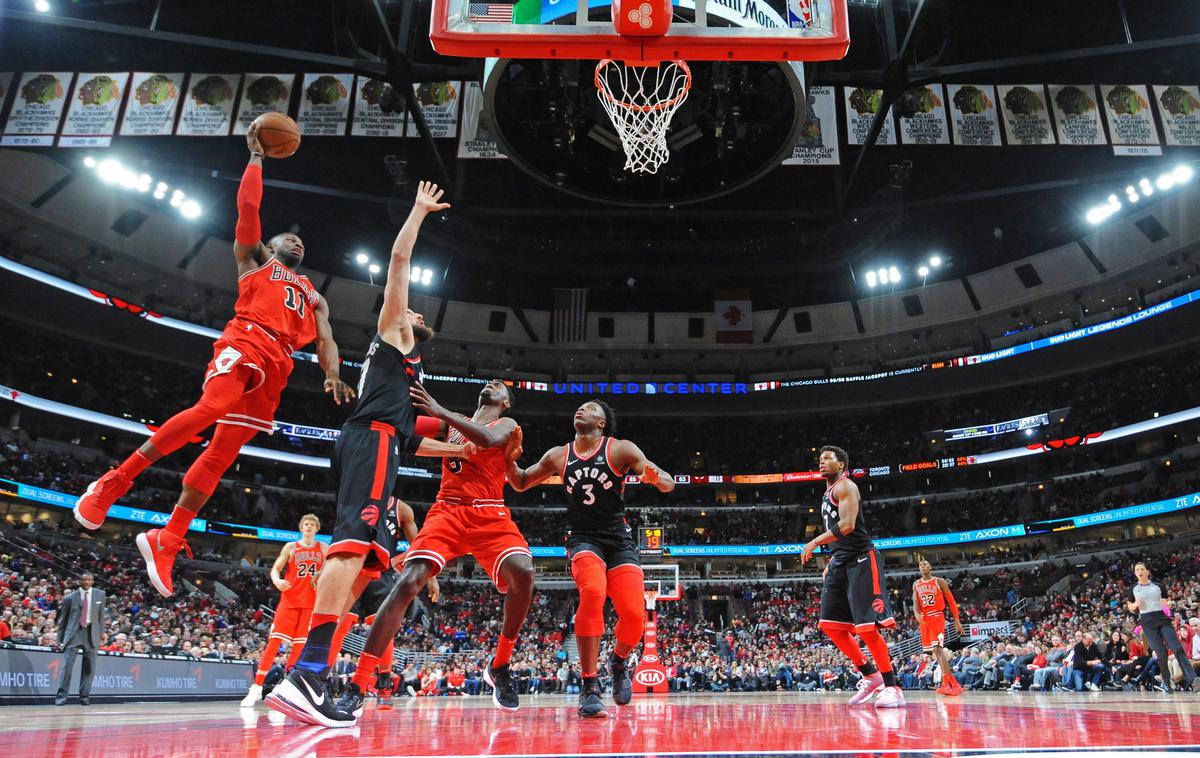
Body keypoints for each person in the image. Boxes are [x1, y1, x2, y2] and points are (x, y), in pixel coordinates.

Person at [74, 123, 356, 596]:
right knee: (211, 409)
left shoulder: (313, 294)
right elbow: (248, 207)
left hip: (280, 362)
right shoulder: (255, 260)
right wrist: (256, 158)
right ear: (272, 245)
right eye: (290, 239)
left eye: (303, 244)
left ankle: (168, 537)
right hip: (246, 339)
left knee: (223, 454)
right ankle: (113, 482)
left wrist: (332, 373)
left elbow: (327, 338)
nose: (299, 244)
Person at [264, 181, 457, 729]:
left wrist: (459, 446)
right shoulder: (395, 333)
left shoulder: (406, 371)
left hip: (384, 443)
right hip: (371, 440)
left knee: (365, 565)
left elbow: (416, 440)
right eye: (412, 311)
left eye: (418, 314)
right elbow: (399, 261)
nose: (414, 311)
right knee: (348, 552)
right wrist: (418, 212)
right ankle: (305, 674)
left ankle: (313, 669)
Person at [338, 378, 532, 721]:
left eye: (499, 385)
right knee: (407, 582)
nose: (492, 383)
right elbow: (402, 427)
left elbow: (487, 439)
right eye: (490, 381)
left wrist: (441, 410)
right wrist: (377, 398)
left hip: (490, 512)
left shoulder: (506, 424)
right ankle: (358, 684)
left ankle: (500, 664)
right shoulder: (449, 423)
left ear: (506, 402)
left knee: (524, 571)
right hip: (449, 510)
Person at [504, 399, 675, 718]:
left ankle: (619, 662)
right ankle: (589, 685)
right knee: (593, 592)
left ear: (601, 423)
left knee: (635, 616)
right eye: (579, 408)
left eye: (590, 408)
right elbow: (520, 482)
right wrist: (509, 460)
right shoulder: (558, 454)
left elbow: (668, 482)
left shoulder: (620, 448)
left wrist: (655, 478)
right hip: (582, 538)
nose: (580, 410)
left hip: (617, 538)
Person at [801, 446, 903, 708]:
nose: (822, 462)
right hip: (840, 560)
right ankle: (870, 675)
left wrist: (814, 542)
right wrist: (831, 560)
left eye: (828, 459)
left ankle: (893, 687)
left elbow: (846, 525)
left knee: (867, 628)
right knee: (830, 625)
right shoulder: (826, 492)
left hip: (861, 558)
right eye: (820, 459)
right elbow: (839, 535)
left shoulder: (846, 486)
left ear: (842, 464)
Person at [242, 514, 327, 706]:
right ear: (300, 527)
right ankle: (256, 688)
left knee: (298, 648)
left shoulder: (323, 548)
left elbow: (331, 567)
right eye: (306, 524)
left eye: (312, 525)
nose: (309, 527)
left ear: (317, 529)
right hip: (289, 601)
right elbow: (275, 568)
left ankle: (284, 688)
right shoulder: (291, 547)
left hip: (310, 604)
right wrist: (277, 580)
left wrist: (321, 574)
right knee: (274, 644)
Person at [1126, 561, 1198, 693]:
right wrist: (1136, 603)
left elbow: (1167, 601)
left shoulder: (1158, 586)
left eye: (1142, 569)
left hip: (1162, 618)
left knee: (1177, 648)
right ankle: (1166, 682)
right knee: (1161, 653)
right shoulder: (1133, 589)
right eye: (1137, 570)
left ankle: (1193, 680)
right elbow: (1130, 606)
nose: (1140, 571)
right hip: (1147, 621)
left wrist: (1168, 603)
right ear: (1135, 573)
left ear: (1147, 571)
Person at [912, 559, 965, 696]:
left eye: (925, 564)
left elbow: (951, 601)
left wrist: (957, 621)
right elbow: (915, 604)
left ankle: (947, 682)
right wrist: (918, 616)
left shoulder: (939, 581)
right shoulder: (916, 584)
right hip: (925, 620)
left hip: (937, 616)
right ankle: (952, 684)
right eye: (920, 565)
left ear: (930, 567)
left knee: (937, 649)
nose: (923, 566)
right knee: (934, 652)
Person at [54, 573, 105, 706]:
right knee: (67, 668)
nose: (87, 582)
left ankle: (84, 696)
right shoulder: (69, 598)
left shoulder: (100, 594)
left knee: (89, 668)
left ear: (93, 581)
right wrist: (60, 639)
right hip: (73, 635)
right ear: (80, 581)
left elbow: (101, 617)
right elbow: (63, 620)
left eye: (89, 580)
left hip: (91, 634)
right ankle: (61, 697)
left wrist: (102, 632)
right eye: (84, 580)